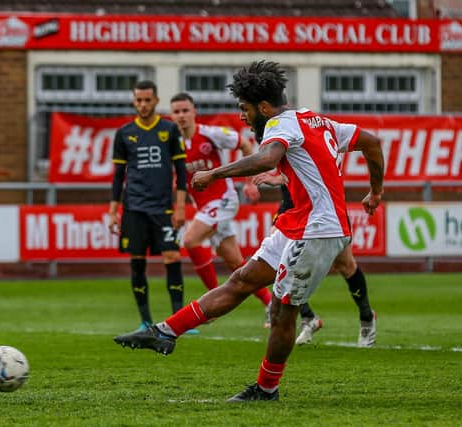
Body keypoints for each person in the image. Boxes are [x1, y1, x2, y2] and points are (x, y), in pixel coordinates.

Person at [114, 60, 384, 401]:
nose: (242, 117)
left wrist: (214, 174)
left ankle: (266, 389)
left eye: (244, 109)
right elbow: (372, 142)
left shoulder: (279, 125)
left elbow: (268, 159)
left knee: (282, 311)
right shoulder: (317, 121)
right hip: (297, 224)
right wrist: (376, 191)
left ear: (264, 107)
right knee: (242, 279)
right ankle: (165, 331)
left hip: (317, 230)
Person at [169, 92, 273, 326]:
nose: (182, 116)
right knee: (236, 263)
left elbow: (245, 145)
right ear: (171, 115)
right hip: (204, 207)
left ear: (194, 112)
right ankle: (271, 304)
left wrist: (249, 182)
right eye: (177, 112)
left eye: (186, 110)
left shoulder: (210, 134)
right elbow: (178, 180)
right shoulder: (173, 144)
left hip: (223, 200)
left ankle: (212, 303)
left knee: (190, 239)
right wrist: (178, 208)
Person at [108, 80, 195, 334]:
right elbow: (117, 176)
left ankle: (179, 320)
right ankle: (145, 320)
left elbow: (180, 171)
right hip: (134, 207)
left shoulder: (169, 130)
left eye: (147, 100)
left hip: (163, 208)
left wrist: (180, 207)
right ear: (134, 102)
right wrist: (113, 211)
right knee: (137, 261)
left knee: (172, 256)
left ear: (156, 101)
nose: (143, 105)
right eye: (138, 100)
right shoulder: (124, 133)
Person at [252, 172, 376, 346]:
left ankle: (367, 318)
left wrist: (279, 178)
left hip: (325, 210)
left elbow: (315, 167)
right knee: (277, 262)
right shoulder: (276, 145)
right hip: (291, 208)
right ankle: (308, 317)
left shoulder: (324, 146)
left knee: (345, 265)